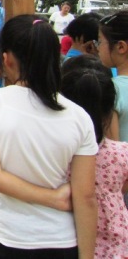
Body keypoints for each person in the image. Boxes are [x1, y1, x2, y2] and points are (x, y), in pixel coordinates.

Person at [0, 15, 98, 258]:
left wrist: (53, 199)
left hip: (4, 237)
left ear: (7, 59)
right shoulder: (79, 117)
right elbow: (86, 197)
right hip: (60, 240)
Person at [60, 54, 128, 258]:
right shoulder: (122, 153)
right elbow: (123, 186)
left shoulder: (58, 155)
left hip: (66, 240)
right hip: (115, 245)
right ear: (109, 112)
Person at [96, 11, 128, 142]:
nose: (97, 48)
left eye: (100, 41)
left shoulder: (111, 89)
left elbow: (112, 148)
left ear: (121, 47)